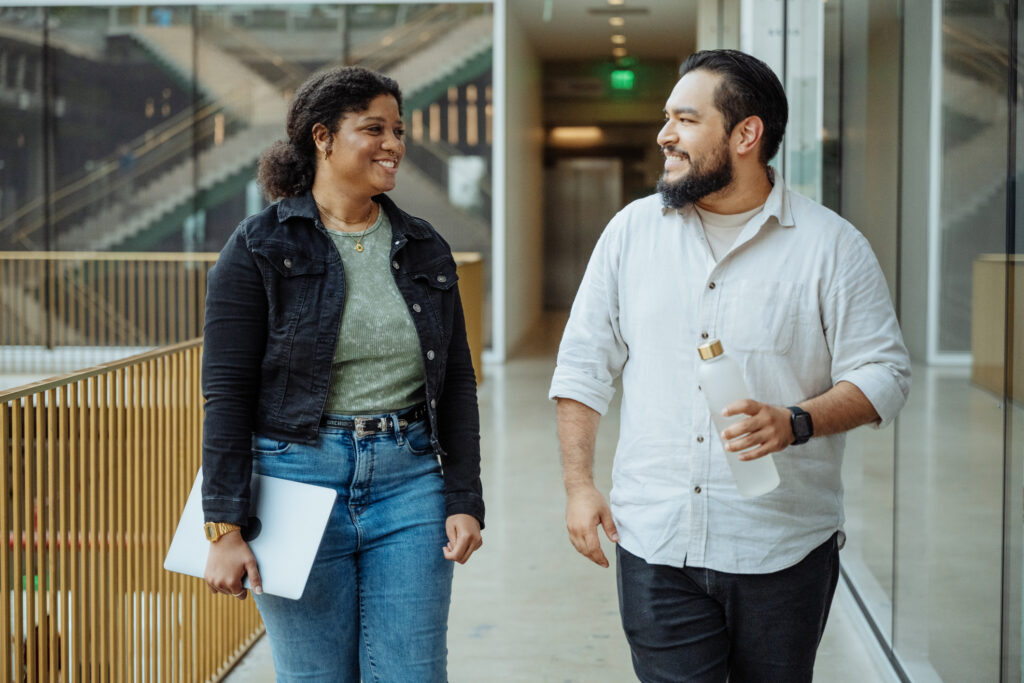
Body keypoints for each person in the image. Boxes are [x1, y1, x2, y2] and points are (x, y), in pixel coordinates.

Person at [549, 49, 911, 682]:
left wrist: (796, 421)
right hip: (656, 542)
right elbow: (583, 365)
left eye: (686, 120)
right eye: (667, 118)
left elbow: (885, 373)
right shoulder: (631, 233)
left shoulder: (832, 247)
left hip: (782, 549)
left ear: (747, 135)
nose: (664, 135)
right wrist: (579, 486)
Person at [200, 65, 483, 681]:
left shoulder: (424, 245)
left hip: (410, 482)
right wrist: (223, 527)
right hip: (294, 480)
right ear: (322, 138)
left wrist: (465, 497)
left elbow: (457, 379)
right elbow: (226, 393)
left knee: (413, 673)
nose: (393, 144)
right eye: (374, 129)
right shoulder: (257, 247)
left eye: (398, 131)